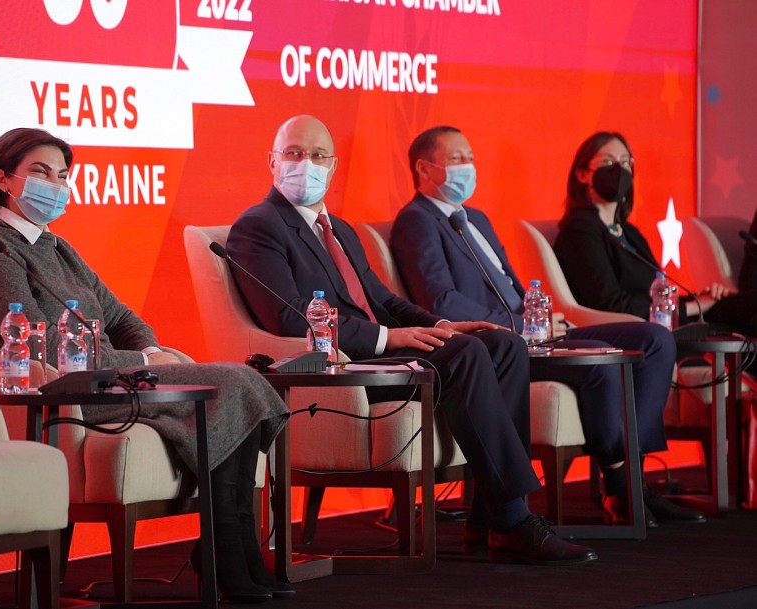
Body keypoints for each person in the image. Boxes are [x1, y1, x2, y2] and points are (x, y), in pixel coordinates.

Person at [226, 114, 597, 566]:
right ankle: (514, 519)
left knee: (503, 345)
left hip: (381, 354)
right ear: (272, 161)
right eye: (294, 153)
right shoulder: (259, 226)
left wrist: (443, 324)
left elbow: (384, 300)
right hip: (342, 366)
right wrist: (389, 337)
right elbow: (287, 316)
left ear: (333, 165)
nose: (307, 164)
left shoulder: (338, 228)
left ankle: (490, 518)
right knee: (465, 355)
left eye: (318, 155)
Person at [0, 128, 292, 604]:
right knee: (234, 381)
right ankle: (229, 557)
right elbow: (44, 345)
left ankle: (232, 552)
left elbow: (122, 317)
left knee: (240, 384)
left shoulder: (58, 247)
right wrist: (144, 360)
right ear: (3, 179)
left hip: (112, 377)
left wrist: (150, 349)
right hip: (68, 391)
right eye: (40, 172)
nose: (55, 185)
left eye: (62, 175)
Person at [390, 125, 705, 528]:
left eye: (470, 157)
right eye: (456, 159)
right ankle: (623, 488)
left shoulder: (475, 218)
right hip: (501, 343)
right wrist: (519, 324)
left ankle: (632, 474)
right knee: (599, 361)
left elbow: (510, 286)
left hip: (537, 330)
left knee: (653, 339)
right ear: (423, 168)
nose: (467, 166)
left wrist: (541, 318)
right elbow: (441, 302)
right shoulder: (417, 221)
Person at [554, 131, 757, 336]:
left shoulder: (629, 232)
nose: (618, 170)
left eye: (625, 162)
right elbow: (610, 304)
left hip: (665, 318)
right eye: (607, 161)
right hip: (637, 330)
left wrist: (701, 299)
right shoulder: (579, 231)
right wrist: (691, 307)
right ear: (582, 175)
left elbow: (657, 292)